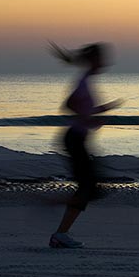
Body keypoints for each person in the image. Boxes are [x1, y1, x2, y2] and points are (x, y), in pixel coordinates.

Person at [48, 41, 122, 248]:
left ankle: (61, 233)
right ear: (92, 61)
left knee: (90, 189)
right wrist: (87, 118)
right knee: (89, 189)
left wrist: (104, 109)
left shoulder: (86, 81)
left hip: (78, 139)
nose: (105, 63)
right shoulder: (83, 82)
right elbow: (68, 105)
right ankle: (54, 213)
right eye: (101, 59)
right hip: (74, 139)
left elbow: (81, 110)